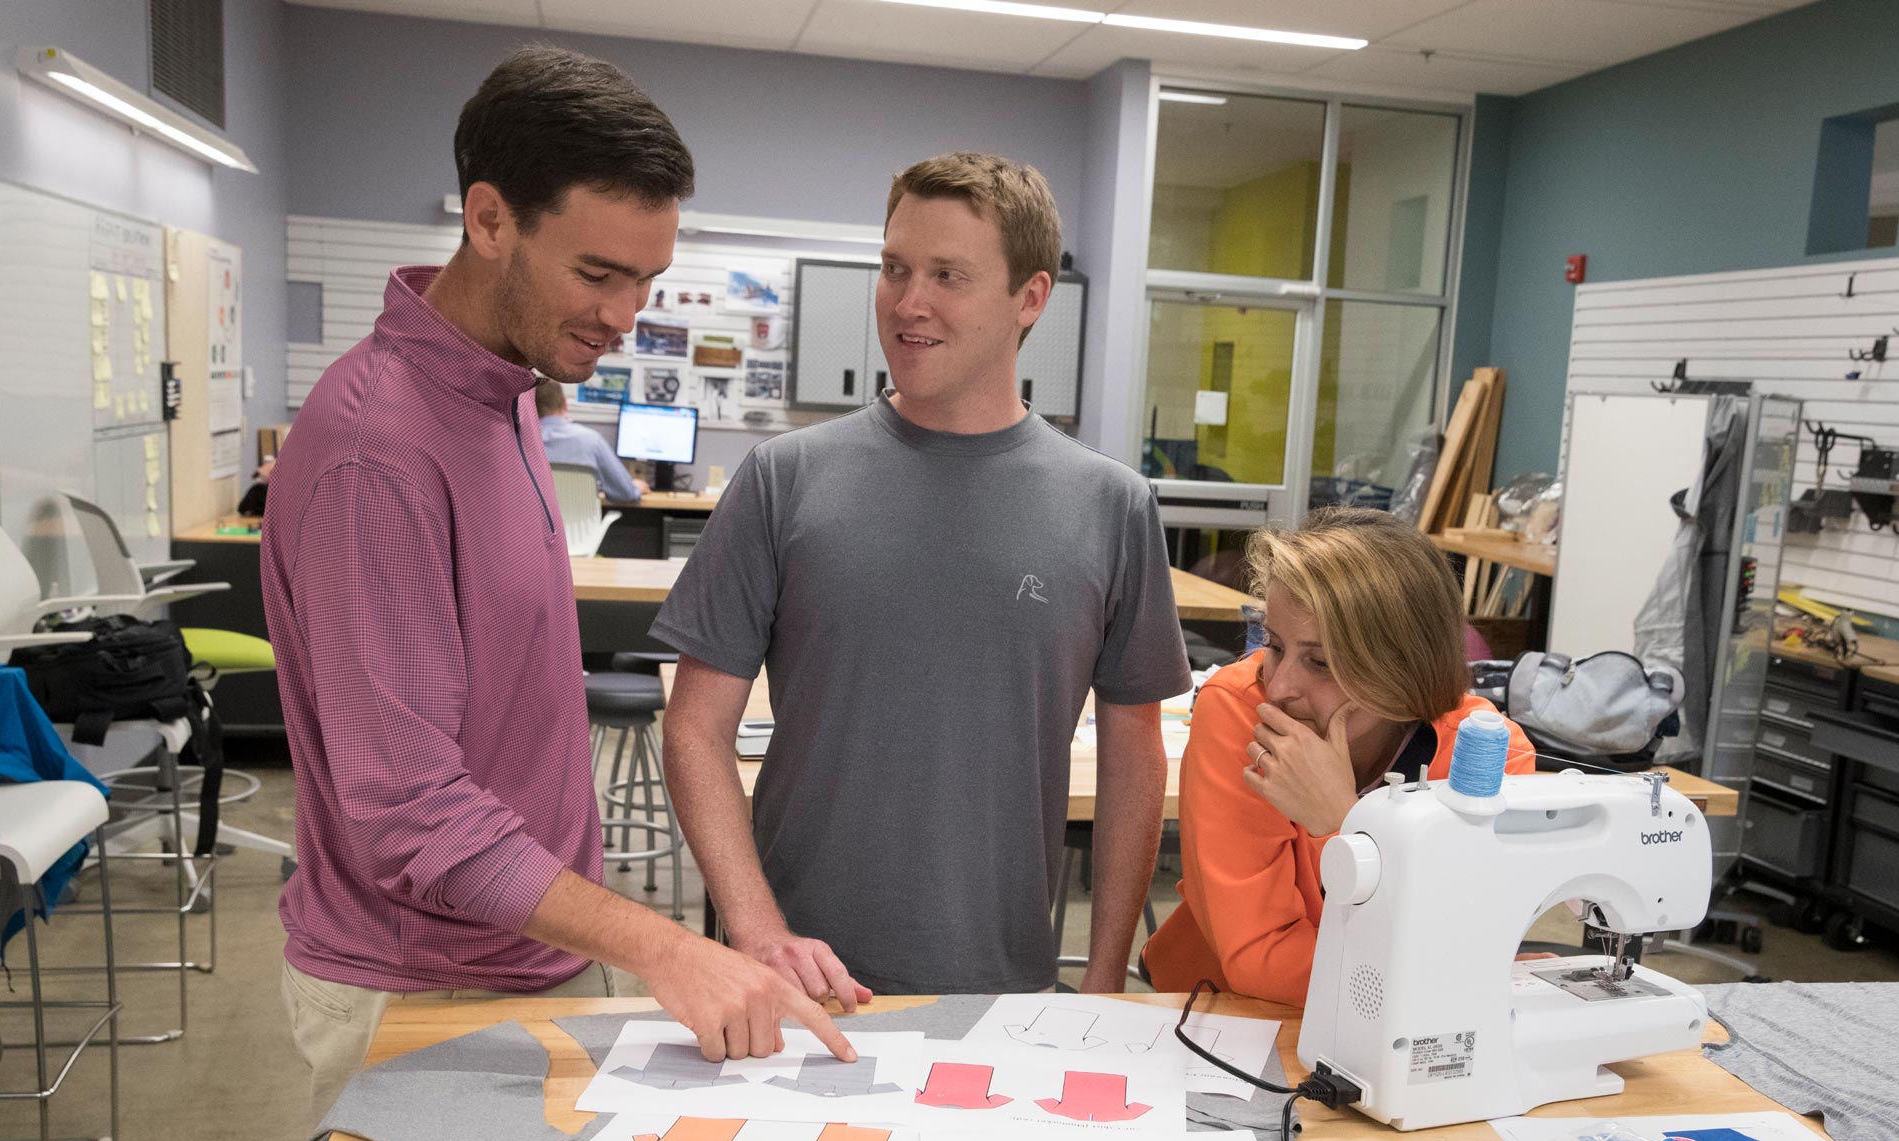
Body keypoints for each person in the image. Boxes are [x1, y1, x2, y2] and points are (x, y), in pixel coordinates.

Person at [263, 45, 850, 1120]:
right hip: (418, 988)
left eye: (645, 281)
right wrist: (669, 946)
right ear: (490, 220)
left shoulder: (511, 398)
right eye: (596, 274)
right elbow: (411, 815)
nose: (624, 314)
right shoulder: (373, 448)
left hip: (529, 955)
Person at [657, 152, 1190, 1003]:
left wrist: (1101, 978)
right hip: (798, 980)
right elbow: (693, 729)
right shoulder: (781, 479)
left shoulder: (1111, 506)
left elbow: (1135, 757)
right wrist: (759, 932)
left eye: (948, 275)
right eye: (895, 268)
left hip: (1003, 984)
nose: (909, 302)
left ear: (1031, 298)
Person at [1143, 508, 1537, 1007]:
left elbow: (1471, 932)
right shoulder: (1240, 715)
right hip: (1226, 1011)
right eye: (1275, 646)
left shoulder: (1488, 757)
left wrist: (1342, 821)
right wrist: (1346, 827)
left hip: (1393, 1027)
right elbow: (1260, 958)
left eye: (1320, 662)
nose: (1280, 687)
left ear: (1404, 668)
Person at [535, 377, 649, 503]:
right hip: (584, 522)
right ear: (565, 403)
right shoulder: (591, 441)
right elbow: (626, 494)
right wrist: (635, 488)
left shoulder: (520, 442)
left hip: (534, 522)